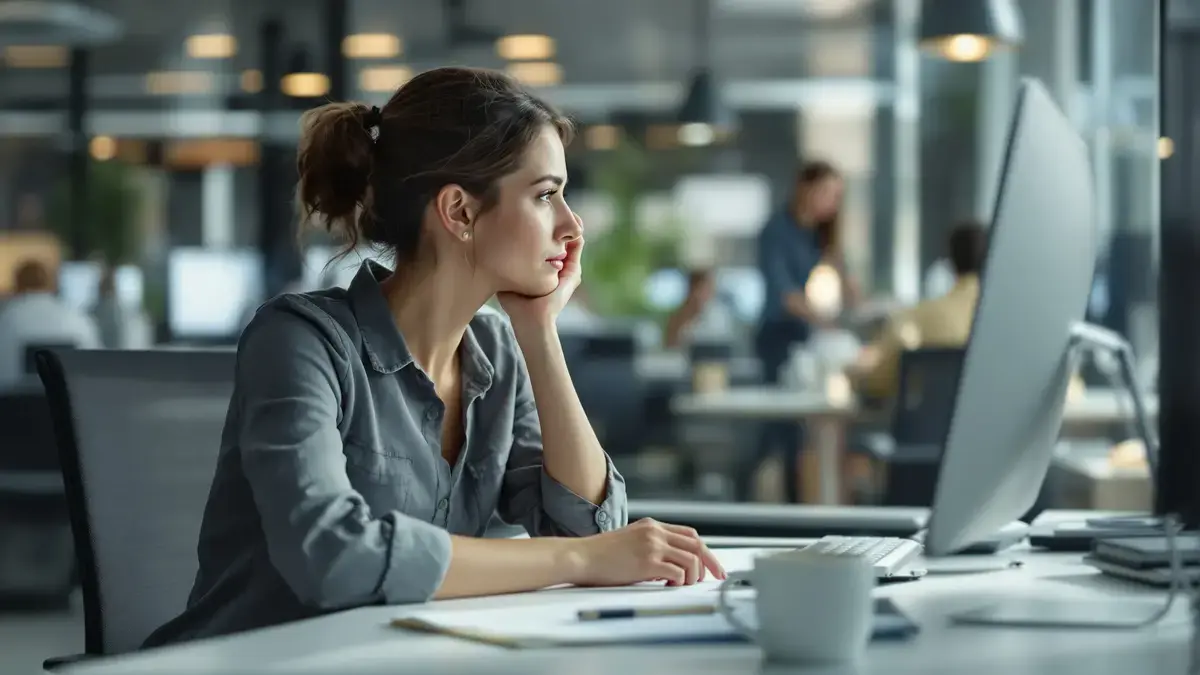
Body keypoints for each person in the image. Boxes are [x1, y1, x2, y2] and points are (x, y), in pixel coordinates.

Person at [143, 67, 724, 648]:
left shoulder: (495, 349)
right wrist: (575, 560)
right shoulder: (301, 341)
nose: (572, 227)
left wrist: (539, 332)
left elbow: (588, 521)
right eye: (546, 195)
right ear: (460, 212)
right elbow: (335, 559)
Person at [739, 161, 857, 502]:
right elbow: (785, 293)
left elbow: (847, 289)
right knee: (780, 426)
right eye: (827, 193)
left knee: (799, 428)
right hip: (777, 337)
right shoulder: (776, 230)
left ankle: (785, 497)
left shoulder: (819, 236)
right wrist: (823, 319)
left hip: (805, 339)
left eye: (837, 196)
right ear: (804, 189)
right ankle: (757, 494)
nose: (832, 202)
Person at [849, 220, 987, 400]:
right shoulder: (1001, 323)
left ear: (950, 261)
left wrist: (851, 375)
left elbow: (877, 381)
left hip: (925, 425)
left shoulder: (916, 318)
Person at [0, 259, 99, 386]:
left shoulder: (6, 319)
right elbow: (95, 368)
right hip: (72, 403)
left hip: (14, 402)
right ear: (53, 284)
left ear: (17, 284)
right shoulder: (78, 319)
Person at [662, 269, 735, 349]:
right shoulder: (677, 318)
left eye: (704, 290)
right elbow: (670, 347)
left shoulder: (719, 316)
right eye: (696, 289)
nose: (699, 294)